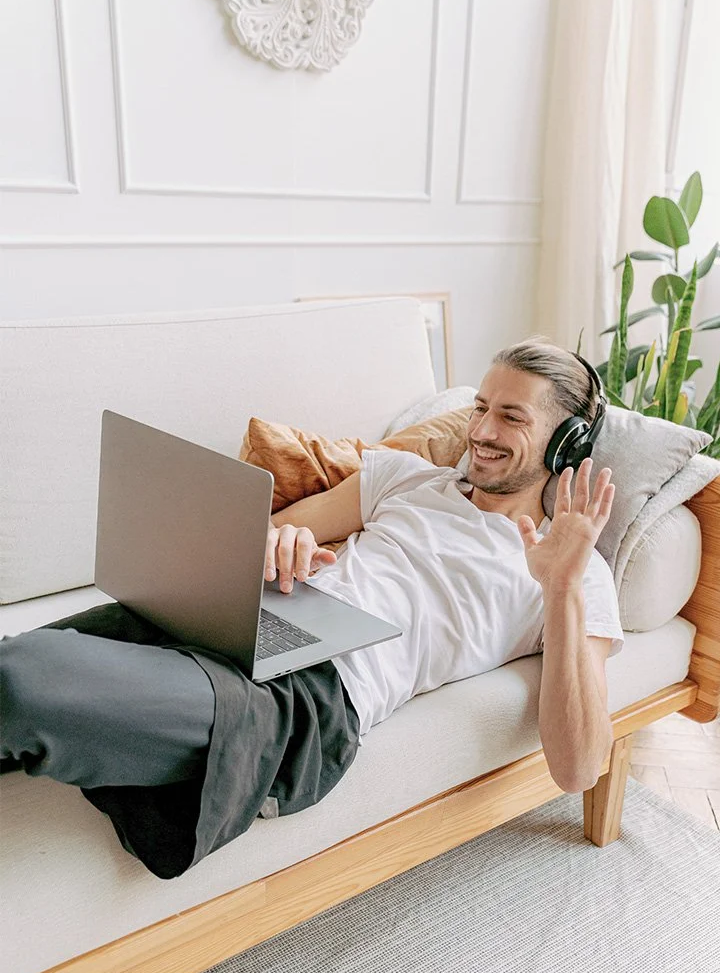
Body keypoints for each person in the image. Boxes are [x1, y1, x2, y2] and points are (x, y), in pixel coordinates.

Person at [0, 336, 622, 879]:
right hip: (242, 620)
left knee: (23, 679)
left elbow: (578, 768)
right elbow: (264, 536)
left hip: (309, 699)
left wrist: (561, 588)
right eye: (481, 408)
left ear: (565, 441)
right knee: (18, 658)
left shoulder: (573, 572)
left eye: (511, 417)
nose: (482, 432)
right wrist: (281, 541)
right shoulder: (405, 478)